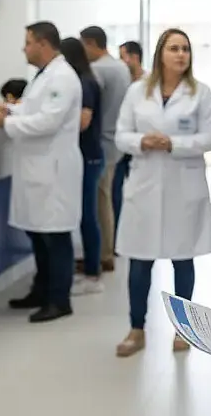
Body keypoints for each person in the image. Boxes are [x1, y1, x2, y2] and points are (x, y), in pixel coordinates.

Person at [113, 28, 211, 358]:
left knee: (182, 258)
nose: (181, 54)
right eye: (174, 48)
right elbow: (120, 135)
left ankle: (183, 329)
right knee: (139, 260)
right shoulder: (136, 91)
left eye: (185, 48)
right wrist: (141, 141)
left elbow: (209, 139)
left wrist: (173, 143)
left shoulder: (200, 93)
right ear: (161, 53)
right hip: (144, 184)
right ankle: (136, 329)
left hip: (182, 186)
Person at [0, 22, 82, 323]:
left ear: (43, 44)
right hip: (37, 168)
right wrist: (8, 110)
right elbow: (32, 110)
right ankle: (40, 292)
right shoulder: (43, 77)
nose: (23, 49)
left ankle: (59, 299)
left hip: (53, 168)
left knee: (55, 236)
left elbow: (48, 122)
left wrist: (6, 124)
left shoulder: (63, 78)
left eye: (27, 43)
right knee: (39, 236)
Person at [80, 26, 131, 272]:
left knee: (102, 200)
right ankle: (106, 250)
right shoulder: (120, 67)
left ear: (91, 44)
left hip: (102, 142)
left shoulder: (98, 70)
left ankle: (104, 254)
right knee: (109, 197)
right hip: (116, 140)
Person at [59, 37, 105, 296]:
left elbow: (83, 122)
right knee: (84, 215)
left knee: (88, 216)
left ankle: (92, 273)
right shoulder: (82, 80)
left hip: (89, 156)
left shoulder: (85, 83)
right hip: (85, 156)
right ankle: (89, 269)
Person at [113, 40, 144, 232]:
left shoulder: (148, 84)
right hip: (120, 144)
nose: (120, 62)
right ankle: (118, 232)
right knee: (115, 191)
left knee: (138, 192)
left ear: (134, 57)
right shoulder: (119, 82)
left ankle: (139, 230)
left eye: (122, 56)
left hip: (141, 146)